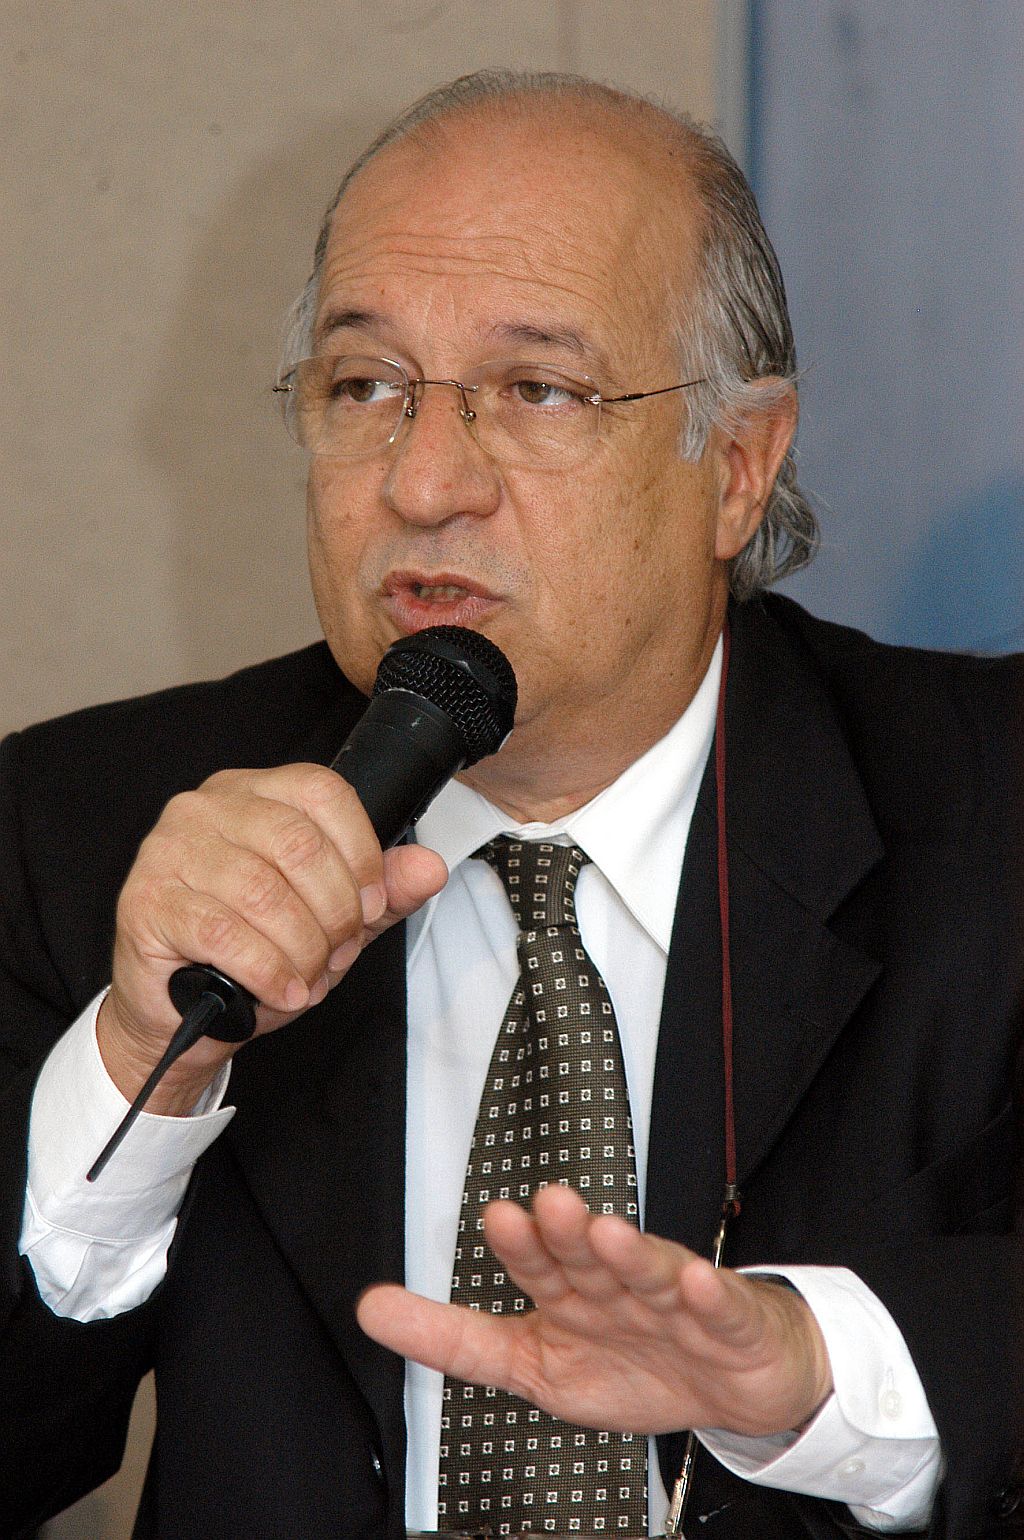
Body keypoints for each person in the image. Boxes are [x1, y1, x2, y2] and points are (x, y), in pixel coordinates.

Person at [1, 68, 1022, 1540]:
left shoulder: (992, 814)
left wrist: (818, 1375)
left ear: (738, 468)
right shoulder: (86, 831)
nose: (423, 484)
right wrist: (134, 1070)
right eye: (366, 387)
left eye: (538, 390)